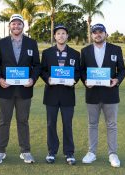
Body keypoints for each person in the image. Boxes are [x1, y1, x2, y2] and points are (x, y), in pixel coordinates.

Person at [0, 14, 40, 164]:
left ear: (23, 26)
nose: (16, 26)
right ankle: (0, 151)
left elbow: (37, 65)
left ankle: (25, 151)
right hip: (6, 89)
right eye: (13, 24)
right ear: (9, 26)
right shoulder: (1, 43)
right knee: (4, 121)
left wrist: (32, 79)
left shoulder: (31, 43)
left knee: (23, 121)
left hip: (24, 90)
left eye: (19, 24)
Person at [80, 23, 125, 167]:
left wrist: (117, 80)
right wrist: (85, 81)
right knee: (92, 124)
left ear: (106, 34)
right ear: (92, 34)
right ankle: (92, 152)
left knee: (111, 125)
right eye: (95, 32)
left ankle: (113, 154)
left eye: (101, 32)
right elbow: (81, 70)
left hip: (110, 94)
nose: (98, 34)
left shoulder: (116, 49)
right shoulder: (85, 50)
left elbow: (122, 70)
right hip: (92, 94)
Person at [40, 25, 80, 165]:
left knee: (67, 124)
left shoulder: (75, 54)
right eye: (58, 33)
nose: (61, 36)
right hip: (51, 94)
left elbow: (78, 72)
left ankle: (69, 153)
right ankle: (52, 151)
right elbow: (42, 70)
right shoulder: (47, 53)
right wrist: (48, 79)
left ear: (67, 36)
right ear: (55, 36)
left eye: (64, 33)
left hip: (68, 95)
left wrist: (74, 80)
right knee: (51, 124)